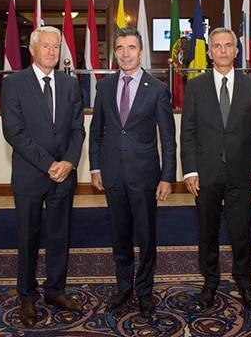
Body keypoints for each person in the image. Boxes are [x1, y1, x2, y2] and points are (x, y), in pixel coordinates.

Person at [1, 25, 86, 328]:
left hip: (64, 175)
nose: (51, 52)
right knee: (28, 237)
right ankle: (26, 296)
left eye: (56, 47)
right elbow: (14, 132)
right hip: (30, 175)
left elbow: (78, 129)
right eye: (46, 47)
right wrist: (49, 163)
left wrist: (70, 162)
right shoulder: (14, 84)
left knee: (59, 236)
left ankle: (55, 291)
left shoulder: (70, 85)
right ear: (32, 50)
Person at [89, 26, 177, 317]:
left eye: (131, 48)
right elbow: (96, 131)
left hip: (145, 177)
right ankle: (124, 285)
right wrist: (95, 167)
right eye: (120, 48)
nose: (125, 54)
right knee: (120, 235)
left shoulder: (158, 89)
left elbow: (167, 137)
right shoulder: (103, 87)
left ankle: (144, 290)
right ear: (114, 53)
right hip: (112, 174)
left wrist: (167, 176)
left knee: (146, 236)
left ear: (141, 52)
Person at [180, 27, 251, 311]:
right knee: (207, 231)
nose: (222, 51)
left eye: (228, 45)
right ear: (209, 52)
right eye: (216, 46)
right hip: (205, 173)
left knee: (241, 231)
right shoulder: (195, 86)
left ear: (236, 50)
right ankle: (210, 281)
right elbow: (188, 133)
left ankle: (244, 282)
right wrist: (190, 171)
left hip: (242, 172)